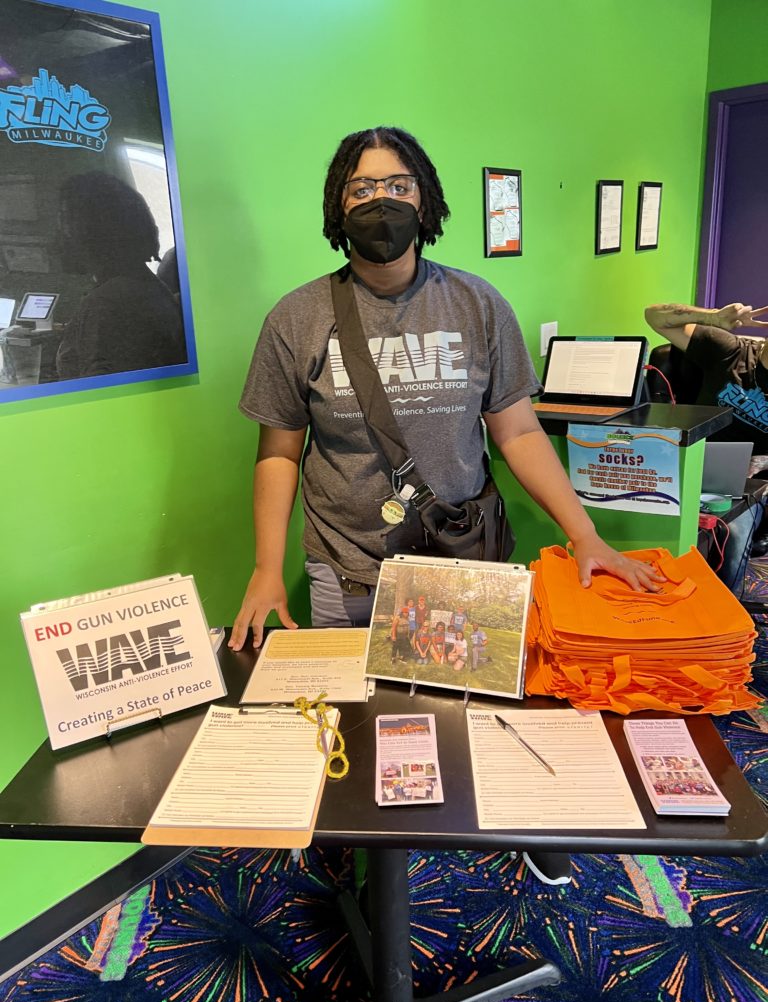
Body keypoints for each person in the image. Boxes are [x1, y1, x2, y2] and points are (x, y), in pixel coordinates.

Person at [231, 125, 663, 886]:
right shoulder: (296, 320)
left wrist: (586, 533)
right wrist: (268, 570)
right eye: (361, 187)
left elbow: (519, 432)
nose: (380, 200)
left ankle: (508, 824)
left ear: (424, 200)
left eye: (398, 185)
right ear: (338, 207)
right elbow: (278, 453)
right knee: (357, 729)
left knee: (474, 711)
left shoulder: (476, 304)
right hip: (351, 567)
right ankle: (364, 862)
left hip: (460, 565)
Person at [55, 172, 185, 381]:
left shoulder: (108, 303)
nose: (59, 231)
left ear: (92, 227)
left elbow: (103, 399)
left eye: (66, 218)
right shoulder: (147, 285)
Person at [644, 301, 768, 452]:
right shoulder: (732, 350)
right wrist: (713, 317)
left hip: (755, 472)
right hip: (697, 458)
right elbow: (653, 315)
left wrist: (763, 462)